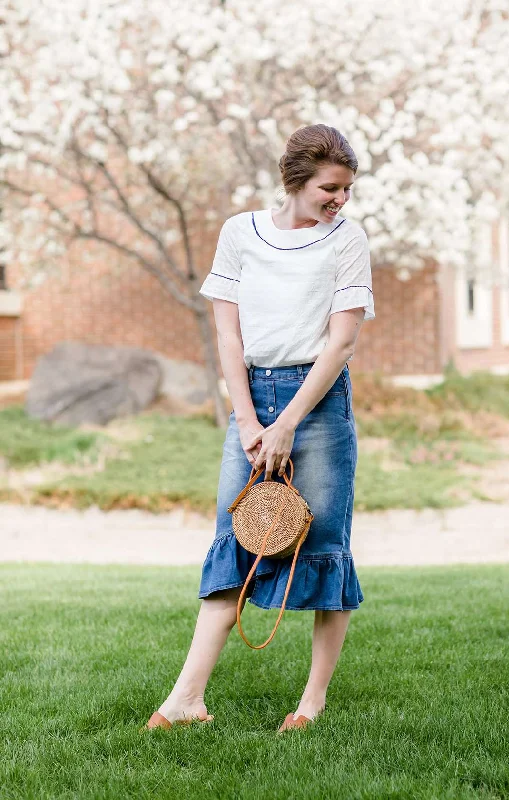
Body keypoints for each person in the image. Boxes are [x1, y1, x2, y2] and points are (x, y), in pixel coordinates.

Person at [144, 123, 375, 734]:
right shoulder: (239, 233)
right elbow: (228, 333)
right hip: (252, 398)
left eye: (347, 188)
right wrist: (249, 421)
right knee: (235, 537)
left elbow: (342, 340)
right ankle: (185, 700)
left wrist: (288, 422)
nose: (340, 199)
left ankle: (311, 704)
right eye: (331, 187)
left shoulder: (347, 240)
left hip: (318, 405)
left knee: (323, 542)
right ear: (297, 180)